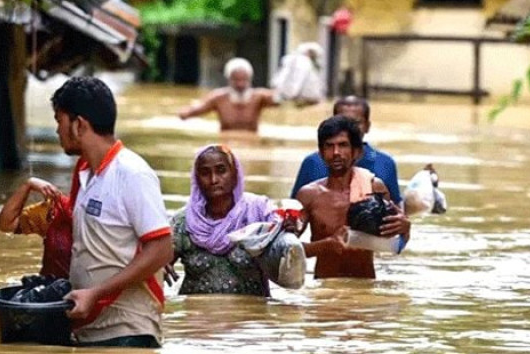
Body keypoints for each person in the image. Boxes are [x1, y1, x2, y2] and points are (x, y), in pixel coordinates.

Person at [0, 76, 173, 348]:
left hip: (127, 332)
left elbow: (162, 250)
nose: (57, 131)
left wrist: (96, 293)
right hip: (88, 330)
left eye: (59, 121)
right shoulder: (84, 175)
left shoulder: (132, 173)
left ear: (79, 125)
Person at [169, 144, 294, 297]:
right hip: (198, 317)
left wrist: (286, 232)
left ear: (235, 173)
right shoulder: (184, 222)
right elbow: (158, 264)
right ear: (196, 178)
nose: (214, 179)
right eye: (205, 173)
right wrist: (158, 268)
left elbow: (289, 263)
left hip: (250, 318)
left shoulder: (260, 213)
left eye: (221, 171)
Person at [296, 115, 410, 279]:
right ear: (321, 153)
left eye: (343, 145)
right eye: (329, 146)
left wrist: (405, 229)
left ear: (357, 152)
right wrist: (325, 246)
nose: (336, 153)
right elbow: (288, 248)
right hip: (325, 290)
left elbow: (396, 244)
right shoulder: (308, 195)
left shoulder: (374, 188)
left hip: (365, 290)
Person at [290, 96, 402, 206]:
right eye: (342, 122)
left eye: (356, 123)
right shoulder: (312, 163)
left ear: (367, 126)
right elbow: (294, 210)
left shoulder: (384, 165)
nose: (336, 153)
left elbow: (395, 211)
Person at [178, 58, 280, 132]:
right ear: (229, 79)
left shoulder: (259, 97)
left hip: (251, 141)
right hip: (226, 144)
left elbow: (279, 100)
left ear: (250, 79)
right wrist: (185, 112)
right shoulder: (218, 98)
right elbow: (193, 111)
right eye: (236, 80)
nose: (240, 84)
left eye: (244, 80)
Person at [271, 42, 324, 106]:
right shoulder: (302, 61)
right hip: (298, 97)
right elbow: (294, 79)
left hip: (301, 97)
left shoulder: (300, 61)